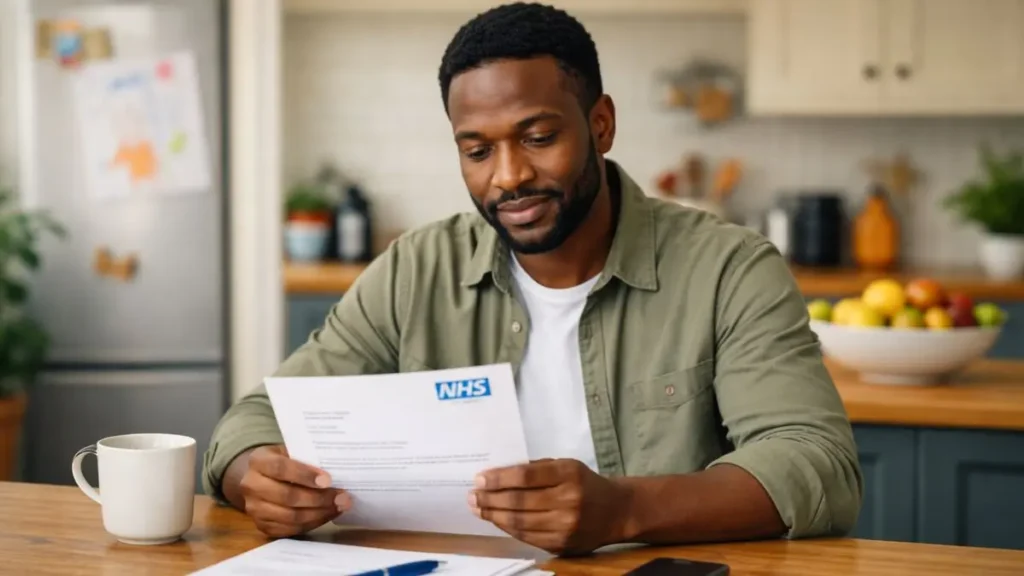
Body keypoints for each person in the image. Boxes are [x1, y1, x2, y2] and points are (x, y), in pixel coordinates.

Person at [202, 1, 862, 556]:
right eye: (478, 150)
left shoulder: (729, 270)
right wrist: (254, 476)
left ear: (600, 124)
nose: (508, 175)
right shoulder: (415, 269)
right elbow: (254, 419)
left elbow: (815, 462)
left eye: (538, 136)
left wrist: (623, 511)